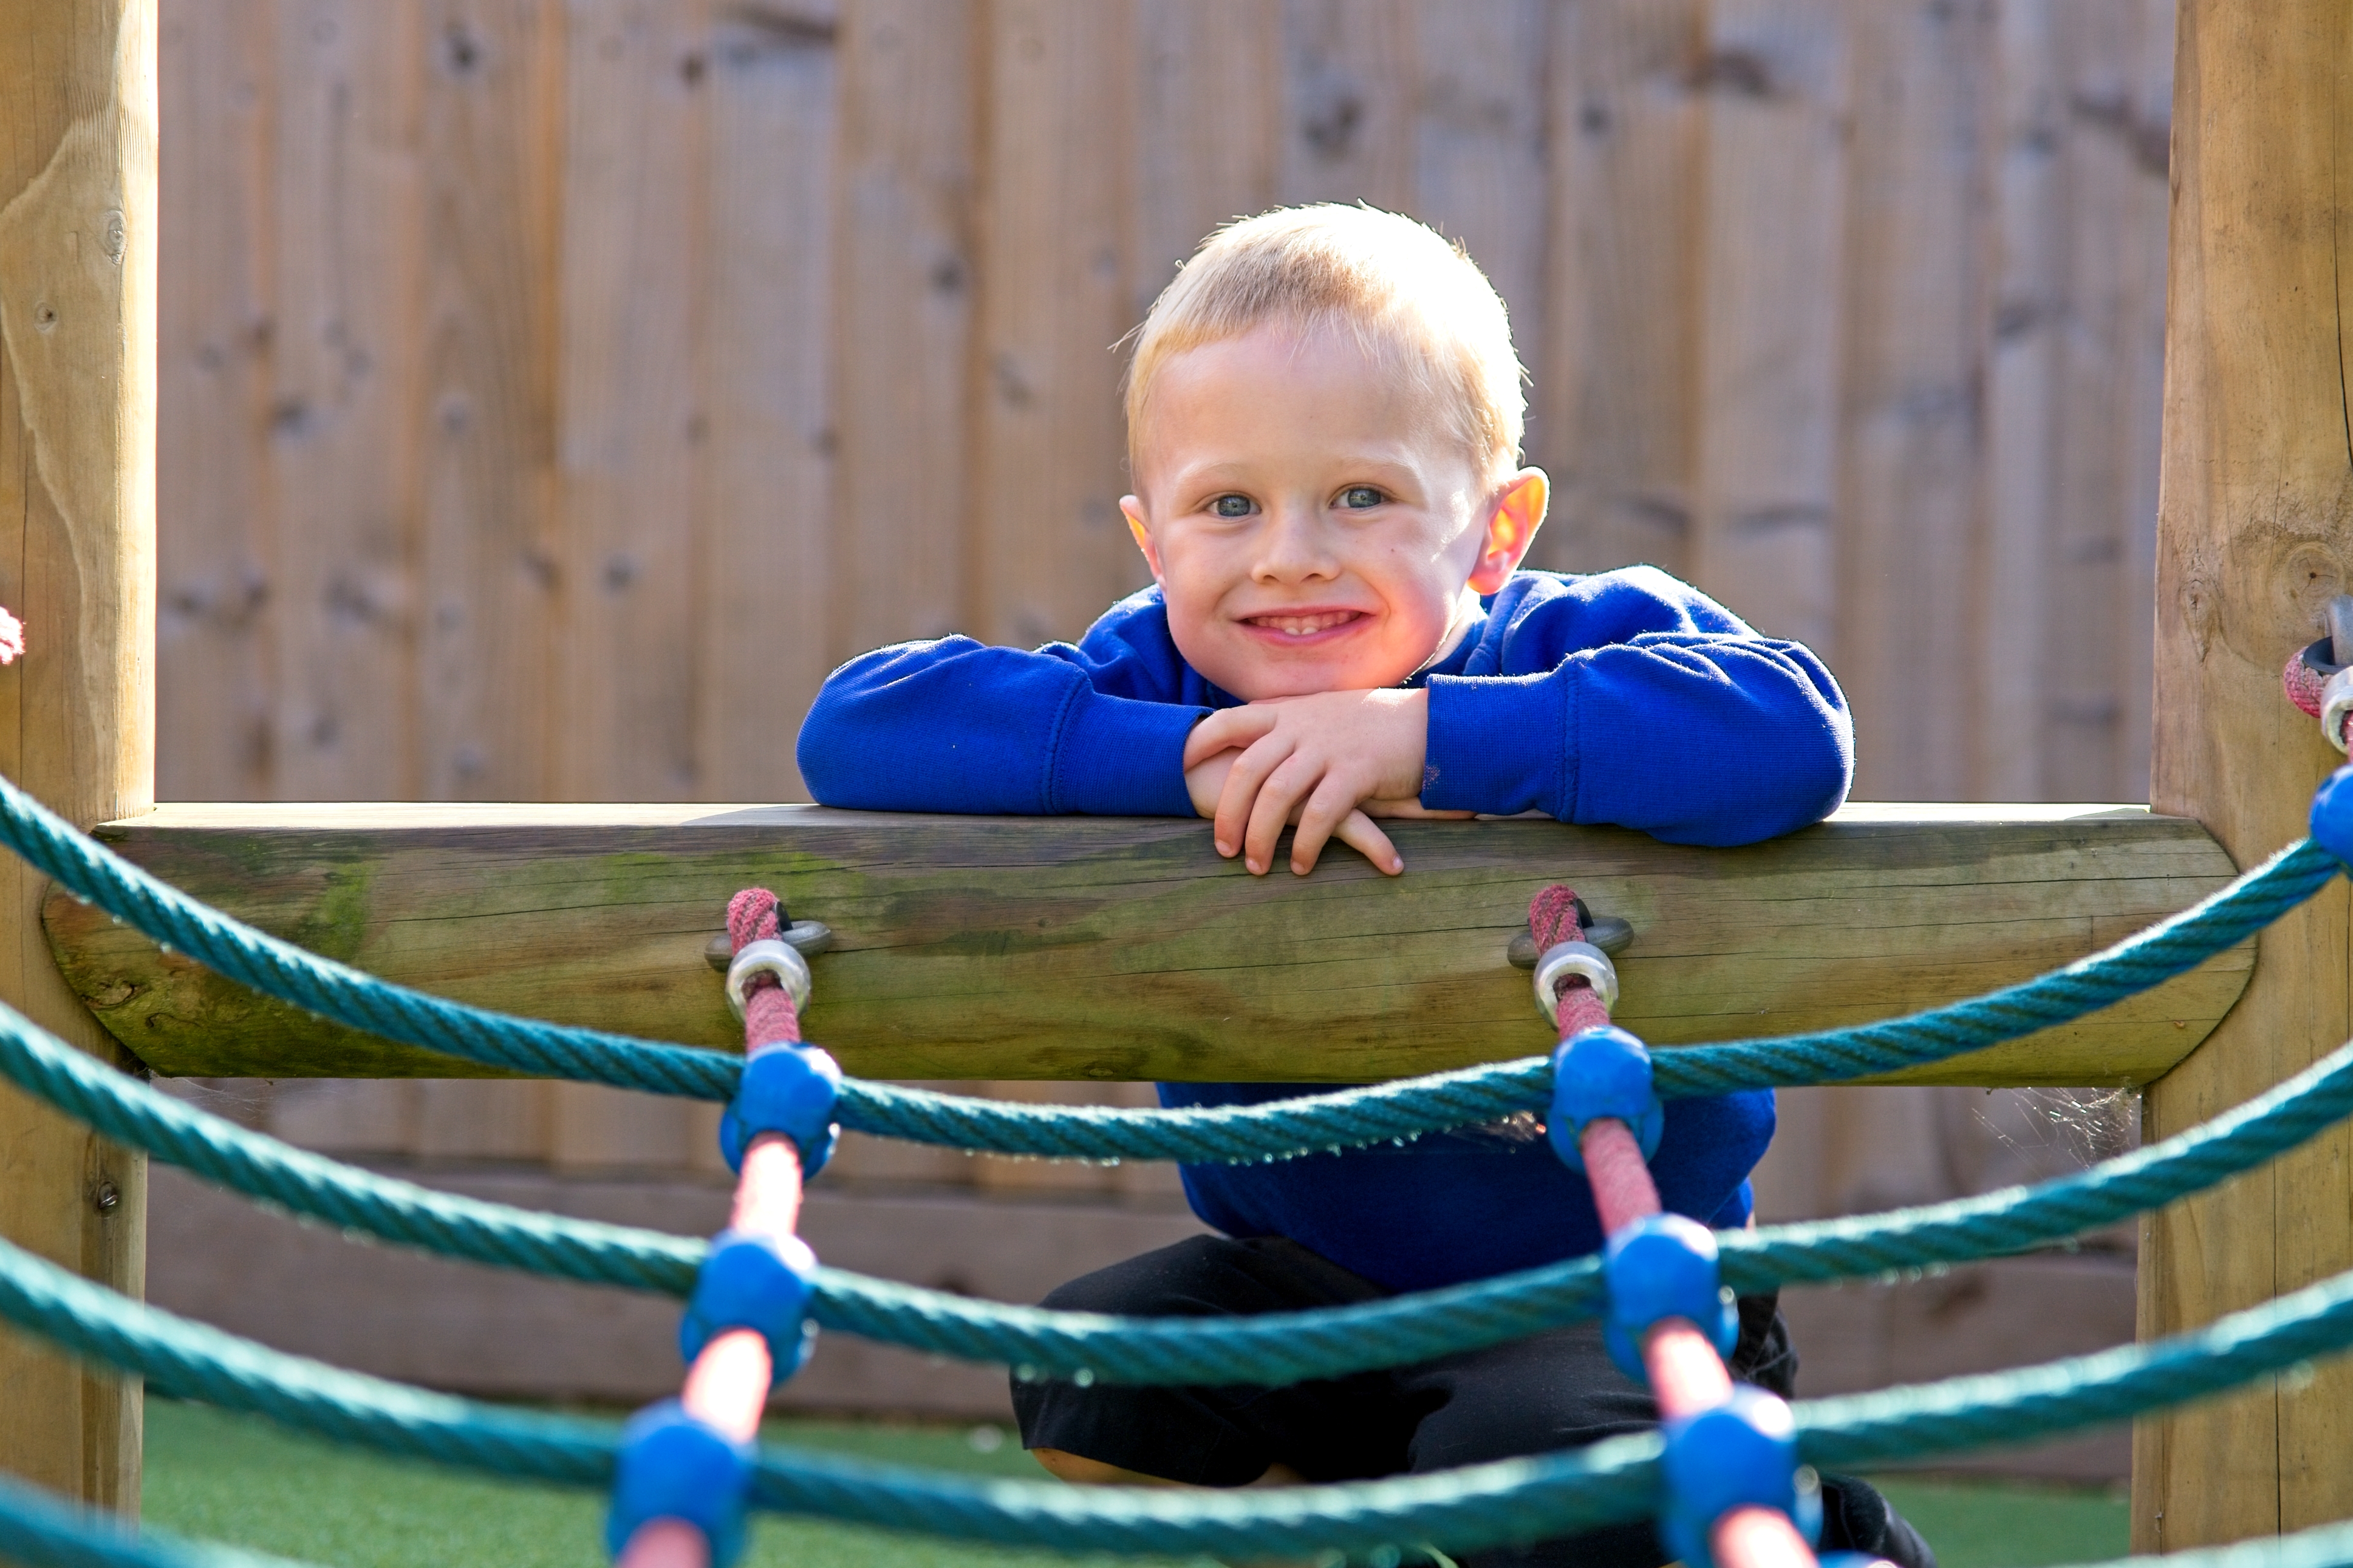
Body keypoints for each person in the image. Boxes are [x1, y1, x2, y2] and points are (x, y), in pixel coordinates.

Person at [796, 204, 1931, 1568]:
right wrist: (1186, 760)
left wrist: (1424, 735)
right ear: (1153, 543)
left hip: (1617, 1290)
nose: (1289, 554)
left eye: (1360, 496)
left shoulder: (1571, 641)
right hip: (1315, 1287)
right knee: (1103, 1368)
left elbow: (1787, 734)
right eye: (1228, 505)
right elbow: (859, 726)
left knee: (1522, 1469)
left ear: (1496, 530)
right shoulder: (1161, 678)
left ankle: (1820, 1535)